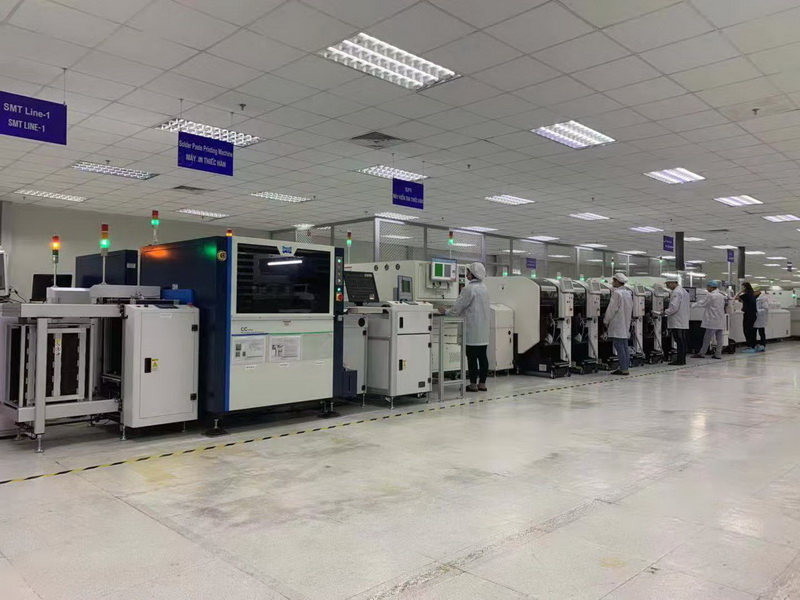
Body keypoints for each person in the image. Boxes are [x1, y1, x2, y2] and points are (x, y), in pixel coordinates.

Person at [442, 262, 490, 392]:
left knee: (472, 358)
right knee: (483, 357)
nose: (466, 274)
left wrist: (445, 312)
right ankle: (482, 384)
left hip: (471, 330)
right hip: (483, 331)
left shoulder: (469, 289)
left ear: (472, 274)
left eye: (468, 271)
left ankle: (473, 384)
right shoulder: (484, 289)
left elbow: (457, 307)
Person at [604, 272, 634, 376]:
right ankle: (625, 367)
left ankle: (623, 369)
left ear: (617, 281)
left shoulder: (617, 293)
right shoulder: (628, 293)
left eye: (613, 280)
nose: (612, 282)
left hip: (617, 324)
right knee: (625, 346)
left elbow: (611, 309)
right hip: (625, 323)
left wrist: (606, 320)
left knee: (619, 346)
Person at [692, 280, 726, 359]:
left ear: (711, 287)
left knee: (707, 338)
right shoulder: (721, 295)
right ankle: (718, 354)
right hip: (720, 320)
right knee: (719, 338)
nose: (707, 288)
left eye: (707, 286)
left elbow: (703, 303)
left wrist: (693, 305)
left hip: (712, 320)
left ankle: (701, 353)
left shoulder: (711, 295)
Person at [663, 276, 690, 365]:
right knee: (682, 341)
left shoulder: (676, 292)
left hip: (677, 320)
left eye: (668, 284)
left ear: (673, 283)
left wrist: (665, 312)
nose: (667, 286)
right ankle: (682, 359)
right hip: (683, 320)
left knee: (679, 341)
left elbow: (674, 307)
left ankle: (680, 360)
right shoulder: (684, 291)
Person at [735, 282, 758, 352]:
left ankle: (750, 346)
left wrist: (741, 291)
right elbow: (744, 301)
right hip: (753, 314)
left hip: (748, 314)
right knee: (752, 331)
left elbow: (736, 297)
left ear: (745, 287)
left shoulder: (747, 294)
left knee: (747, 330)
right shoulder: (752, 294)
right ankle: (753, 345)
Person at [754, 284, 769, 352]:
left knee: (761, 332)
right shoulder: (755, 297)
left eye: (754, 292)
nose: (753, 293)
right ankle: (755, 345)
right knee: (754, 332)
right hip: (755, 317)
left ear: (758, 291)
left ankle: (763, 345)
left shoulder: (763, 298)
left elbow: (765, 308)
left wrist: (756, 311)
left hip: (761, 318)